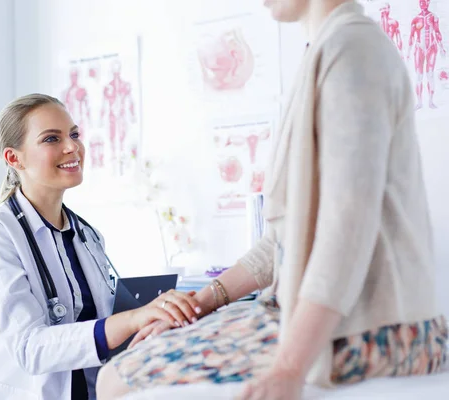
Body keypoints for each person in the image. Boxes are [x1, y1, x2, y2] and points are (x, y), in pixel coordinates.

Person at [96, 1, 448, 399]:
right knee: (128, 363)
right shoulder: (327, 49)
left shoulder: (353, 50)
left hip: (379, 332)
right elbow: (286, 238)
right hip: (310, 316)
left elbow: (346, 231)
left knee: (117, 381)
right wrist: (199, 305)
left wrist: (290, 367)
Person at [0, 94, 201, 400]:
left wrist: (154, 319)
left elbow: (104, 324)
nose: (72, 147)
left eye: (74, 134)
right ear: (14, 158)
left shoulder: (87, 235)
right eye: (51, 138)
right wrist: (132, 320)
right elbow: (31, 349)